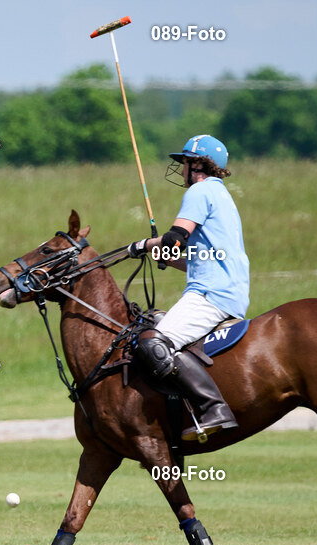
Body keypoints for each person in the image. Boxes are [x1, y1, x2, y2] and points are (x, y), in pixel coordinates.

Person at [126, 134, 250, 440]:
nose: (181, 169)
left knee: (153, 343)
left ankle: (213, 408)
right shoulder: (222, 195)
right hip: (228, 291)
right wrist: (170, 260)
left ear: (197, 165)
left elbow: (175, 238)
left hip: (210, 295)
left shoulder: (199, 191)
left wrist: (141, 245)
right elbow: (204, 257)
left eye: (184, 162)